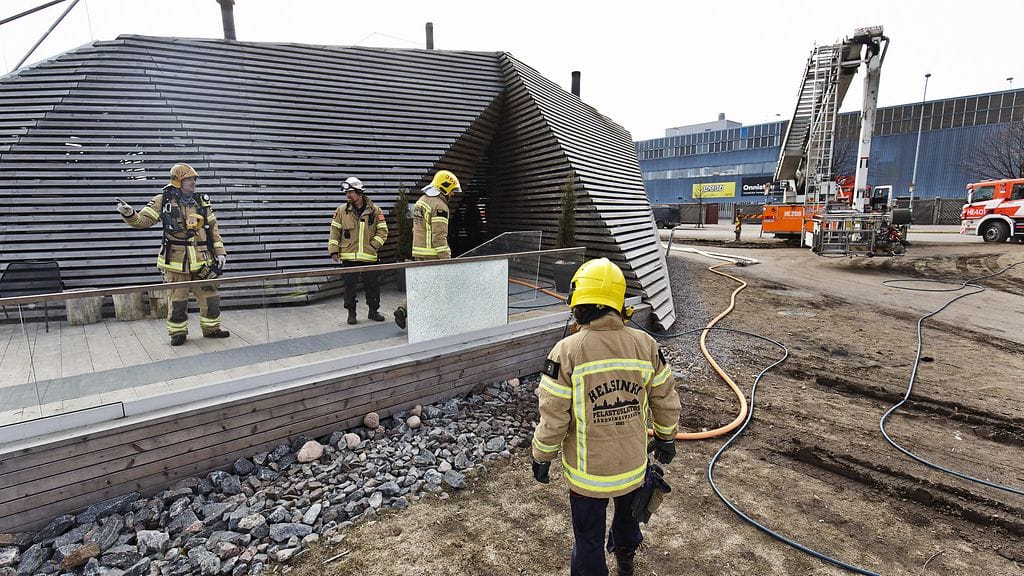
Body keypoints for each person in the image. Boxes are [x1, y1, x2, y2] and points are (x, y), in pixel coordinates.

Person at [531, 258, 681, 576]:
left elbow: (553, 416)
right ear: (619, 304)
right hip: (632, 469)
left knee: (588, 541)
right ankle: (626, 557)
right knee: (627, 520)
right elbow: (665, 400)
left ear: (579, 304)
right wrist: (667, 438)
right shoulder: (646, 345)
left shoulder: (566, 352)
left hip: (587, 477)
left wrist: (542, 455)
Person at [116, 163, 229, 346]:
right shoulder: (163, 199)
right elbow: (143, 221)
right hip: (176, 261)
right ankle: (178, 333)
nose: (194, 182)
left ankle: (211, 329)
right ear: (178, 180)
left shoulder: (202, 201)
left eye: (194, 179)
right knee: (177, 301)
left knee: (211, 297)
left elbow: (213, 229)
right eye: (189, 179)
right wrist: (130, 214)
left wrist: (220, 252)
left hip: (202, 260)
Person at [393, 169, 461, 329]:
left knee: (422, 287)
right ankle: (438, 323)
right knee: (439, 291)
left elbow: (415, 229)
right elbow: (439, 236)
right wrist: (447, 259)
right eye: (451, 191)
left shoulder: (421, 201)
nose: (452, 195)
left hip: (419, 252)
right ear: (444, 187)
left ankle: (403, 309)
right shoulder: (440, 206)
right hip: (433, 255)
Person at [329, 176, 389, 325]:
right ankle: (351, 313)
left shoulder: (375, 210)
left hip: (369, 257)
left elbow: (383, 231)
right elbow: (334, 232)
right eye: (346, 193)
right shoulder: (341, 211)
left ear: (359, 192)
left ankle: (373, 311)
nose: (347, 195)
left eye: (350, 192)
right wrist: (334, 250)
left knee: (373, 286)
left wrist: (373, 246)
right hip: (349, 258)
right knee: (349, 287)